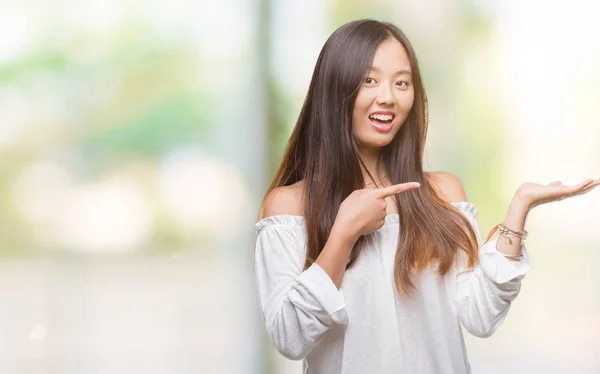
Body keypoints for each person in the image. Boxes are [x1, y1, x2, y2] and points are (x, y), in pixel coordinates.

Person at [253, 19, 599, 374]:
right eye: (369, 80)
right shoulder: (289, 206)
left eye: (401, 83)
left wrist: (519, 209)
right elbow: (290, 339)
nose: (388, 96)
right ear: (334, 88)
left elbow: (481, 316)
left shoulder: (442, 194)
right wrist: (343, 233)